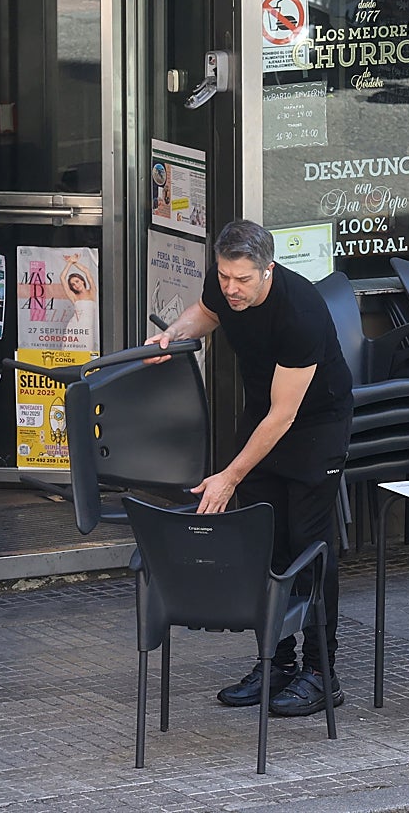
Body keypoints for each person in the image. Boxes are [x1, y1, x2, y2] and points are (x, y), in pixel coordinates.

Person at [145, 219, 352, 717]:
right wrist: (173, 335)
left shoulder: (299, 312)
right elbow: (207, 312)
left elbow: (286, 415)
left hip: (313, 426)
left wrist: (229, 475)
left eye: (242, 279)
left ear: (268, 271)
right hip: (262, 415)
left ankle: (323, 673)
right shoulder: (223, 287)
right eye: (224, 276)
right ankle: (276, 662)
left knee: (308, 545)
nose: (231, 289)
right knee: (265, 541)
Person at [59, 251, 98, 351]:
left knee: (87, 355)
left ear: (82, 280)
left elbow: (87, 271)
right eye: (73, 284)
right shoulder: (74, 297)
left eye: (77, 281)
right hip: (74, 329)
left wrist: (75, 262)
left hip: (87, 330)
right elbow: (62, 278)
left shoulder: (92, 292)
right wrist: (69, 263)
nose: (76, 285)